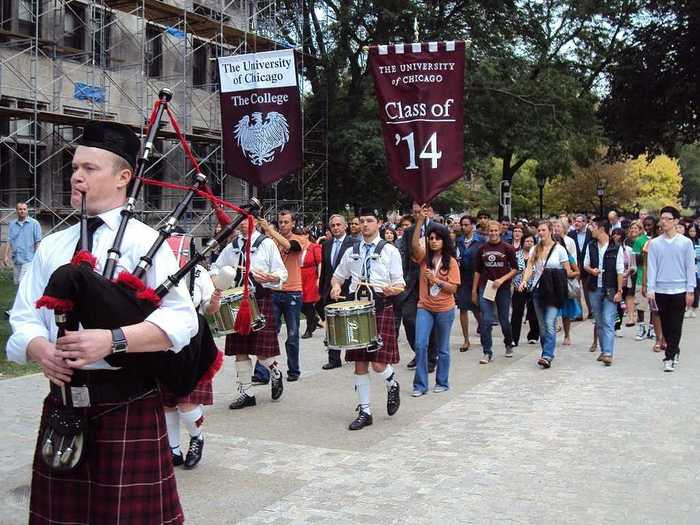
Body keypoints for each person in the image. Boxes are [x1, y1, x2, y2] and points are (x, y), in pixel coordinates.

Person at [7, 121, 199, 524]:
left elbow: (182, 321)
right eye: (74, 167)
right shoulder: (54, 245)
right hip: (64, 405)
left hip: (127, 403)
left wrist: (114, 340)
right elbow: (23, 319)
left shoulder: (147, 242)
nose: (76, 175)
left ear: (123, 177)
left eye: (90, 168)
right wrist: (41, 350)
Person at [330, 208, 405, 430]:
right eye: (361, 221)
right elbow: (338, 277)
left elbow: (400, 283)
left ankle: (392, 383)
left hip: (380, 308)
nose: (364, 225)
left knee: (379, 364)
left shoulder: (390, 251)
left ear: (379, 223)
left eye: (369, 221)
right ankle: (365, 410)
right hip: (357, 309)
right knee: (359, 362)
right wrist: (335, 287)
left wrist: (393, 290)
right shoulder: (352, 250)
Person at [213, 216, 288, 409]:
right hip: (237, 303)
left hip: (260, 299)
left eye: (247, 220)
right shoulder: (233, 246)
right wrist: (219, 279)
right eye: (240, 220)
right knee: (240, 350)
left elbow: (282, 273)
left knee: (262, 353)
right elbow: (215, 267)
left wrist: (272, 277)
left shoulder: (267, 244)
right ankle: (247, 394)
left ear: (255, 222)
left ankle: (275, 371)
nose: (243, 223)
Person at [163, 235, 222, 469]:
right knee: (167, 400)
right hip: (162, 336)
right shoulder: (157, 269)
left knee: (186, 401)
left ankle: (197, 438)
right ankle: (173, 450)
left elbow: (208, 308)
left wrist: (216, 299)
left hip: (193, 336)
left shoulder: (198, 272)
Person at [410, 208, 460, 396]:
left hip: (445, 309)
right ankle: (420, 385)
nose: (433, 241)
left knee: (443, 348)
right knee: (420, 345)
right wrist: (419, 222)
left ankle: (442, 382)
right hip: (425, 307)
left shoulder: (452, 262)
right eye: (430, 238)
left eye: (437, 238)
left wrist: (437, 280)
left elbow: (454, 288)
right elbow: (414, 245)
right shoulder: (424, 259)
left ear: (444, 240)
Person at [253, 211, 305, 383]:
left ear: (293, 223)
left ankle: (293, 370)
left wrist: (270, 230)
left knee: (292, 334)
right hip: (274, 290)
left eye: (286, 222)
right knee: (267, 333)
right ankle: (262, 373)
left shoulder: (300, 239)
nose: (282, 225)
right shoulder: (270, 242)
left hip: (292, 292)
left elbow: (290, 247)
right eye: (280, 222)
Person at [646, 206, 696, 372]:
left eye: (668, 218)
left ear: (676, 221)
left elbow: (690, 267)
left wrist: (690, 290)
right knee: (665, 325)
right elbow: (652, 267)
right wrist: (650, 288)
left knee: (676, 324)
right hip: (660, 289)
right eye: (662, 218)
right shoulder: (655, 243)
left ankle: (669, 355)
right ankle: (674, 350)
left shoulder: (685, 243)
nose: (664, 221)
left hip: (679, 289)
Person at [519, 221, 571, 368]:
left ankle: (547, 354)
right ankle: (546, 352)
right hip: (538, 290)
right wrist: (524, 281)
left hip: (554, 291)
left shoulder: (559, 249)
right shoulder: (535, 248)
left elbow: (567, 270)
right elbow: (530, 266)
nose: (540, 233)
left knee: (549, 323)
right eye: (539, 231)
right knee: (542, 326)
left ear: (550, 231)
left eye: (543, 230)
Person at [398, 202, 438, 372]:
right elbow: (406, 255)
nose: (418, 215)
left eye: (420, 211)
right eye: (414, 212)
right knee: (408, 318)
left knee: (430, 321)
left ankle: (431, 357)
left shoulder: (437, 229)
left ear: (429, 211)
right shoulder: (409, 231)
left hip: (431, 281)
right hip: (412, 282)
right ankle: (419, 352)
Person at [472, 220, 518, 363]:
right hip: (486, 287)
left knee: (504, 320)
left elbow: (515, 269)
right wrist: (474, 290)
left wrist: (502, 280)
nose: (492, 233)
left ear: (500, 231)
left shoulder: (508, 248)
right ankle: (487, 352)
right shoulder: (482, 249)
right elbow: (478, 271)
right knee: (486, 320)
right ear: (487, 232)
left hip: (502, 288)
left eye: (495, 230)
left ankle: (508, 343)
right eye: (490, 231)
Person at [583, 218, 625, 366]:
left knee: (608, 320)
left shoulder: (616, 247)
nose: (591, 230)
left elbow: (620, 270)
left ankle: (608, 352)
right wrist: (591, 270)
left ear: (601, 229)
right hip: (594, 287)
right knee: (599, 321)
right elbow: (585, 264)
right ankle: (603, 349)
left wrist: (620, 291)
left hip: (611, 288)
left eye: (593, 227)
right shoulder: (591, 245)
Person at [319, 214, 355, 370]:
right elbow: (326, 269)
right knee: (332, 325)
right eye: (333, 225)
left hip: (347, 289)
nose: (336, 228)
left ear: (345, 226)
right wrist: (322, 290)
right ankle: (333, 358)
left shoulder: (354, 244)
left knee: (349, 322)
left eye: (338, 225)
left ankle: (352, 353)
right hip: (330, 289)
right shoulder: (326, 244)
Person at [455, 215, 483, 352]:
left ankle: (484, 330)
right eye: (462, 225)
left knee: (477, 307)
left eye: (466, 224)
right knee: (462, 307)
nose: (464, 227)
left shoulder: (480, 241)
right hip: (462, 277)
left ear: (472, 225)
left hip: (477, 276)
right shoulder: (459, 241)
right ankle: (466, 339)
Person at [553, 219, 581, 345]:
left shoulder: (568, 255)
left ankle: (567, 334)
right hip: (552, 285)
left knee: (566, 312)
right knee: (551, 311)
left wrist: (570, 274)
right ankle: (551, 333)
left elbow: (577, 271)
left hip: (564, 285)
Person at [511, 234, 539, 346]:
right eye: (527, 241)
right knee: (517, 312)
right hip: (519, 286)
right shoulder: (516, 255)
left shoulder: (538, 255)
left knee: (533, 312)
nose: (529, 243)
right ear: (522, 242)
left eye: (531, 241)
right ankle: (514, 338)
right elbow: (512, 269)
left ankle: (533, 335)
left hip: (533, 286)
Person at [4, 201, 42, 285]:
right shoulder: (12, 224)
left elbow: (38, 242)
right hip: (16, 259)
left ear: (27, 210)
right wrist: (6, 256)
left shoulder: (35, 224)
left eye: (24, 209)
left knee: (23, 282)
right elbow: (9, 241)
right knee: (17, 283)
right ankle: (20, 298)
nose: (22, 211)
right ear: (16, 210)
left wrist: (37, 258)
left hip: (29, 259)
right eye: (20, 209)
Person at [568, 214, 592, 319]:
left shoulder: (591, 234)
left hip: (587, 265)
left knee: (588, 290)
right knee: (576, 290)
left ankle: (592, 311)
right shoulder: (571, 234)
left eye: (579, 221)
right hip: (575, 266)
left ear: (585, 223)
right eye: (575, 221)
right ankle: (578, 313)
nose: (576, 223)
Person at [300, 231, 323, 339]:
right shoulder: (298, 248)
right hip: (299, 277)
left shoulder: (314, 247)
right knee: (300, 303)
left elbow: (320, 263)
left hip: (310, 277)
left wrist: (319, 278)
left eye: (301, 235)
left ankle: (309, 329)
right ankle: (314, 319)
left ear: (306, 235)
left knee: (308, 303)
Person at [687, 223, 700, 317]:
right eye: (691, 231)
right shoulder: (686, 241)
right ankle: (688, 308)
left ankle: (694, 308)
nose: (692, 233)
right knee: (690, 288)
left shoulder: (698, 241)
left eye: (694, 231)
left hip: (698, 268)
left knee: (696, 289)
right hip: (689, 268)